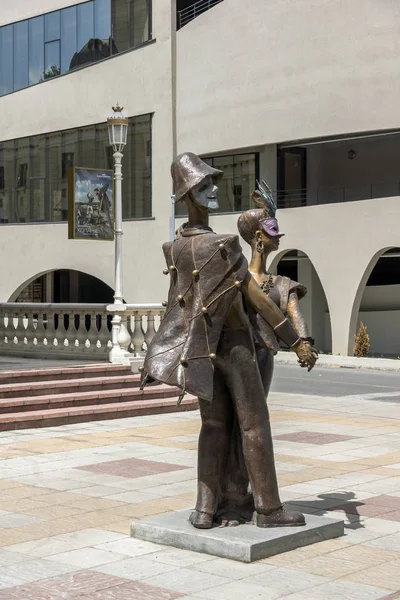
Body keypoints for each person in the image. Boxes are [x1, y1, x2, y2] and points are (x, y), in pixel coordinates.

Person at [141, 153, 318, 529]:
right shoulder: (224, 245)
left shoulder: (175, 248)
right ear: (189, 195)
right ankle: (269, 509)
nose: (214, 189)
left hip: (203, 348)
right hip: (235, 344)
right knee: (254, 423)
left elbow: (178, 304)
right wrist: (295, 340)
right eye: (205, 186)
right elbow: (254, 296)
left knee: (214, 425)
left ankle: (205, 509)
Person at [214, 181, 317, 526]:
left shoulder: (282, 284)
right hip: (232, 357)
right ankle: (232, 500)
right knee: (231, 426)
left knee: (249, 427)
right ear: (259, 238)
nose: (279, 238)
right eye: (273, 232)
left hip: (262, 358)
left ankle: (242, 500)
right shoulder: (237, 277)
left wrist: (304, 342)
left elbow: (294, 317)